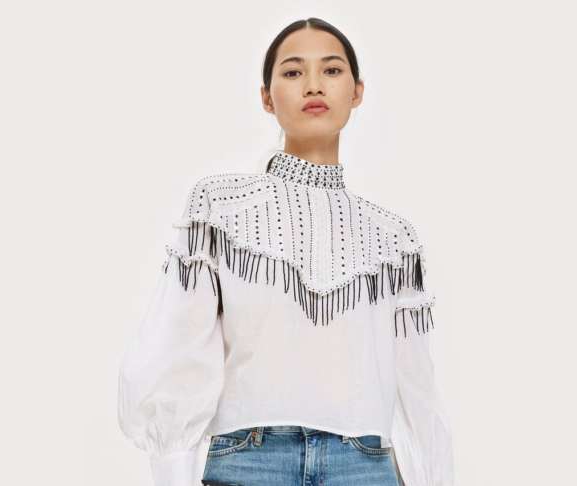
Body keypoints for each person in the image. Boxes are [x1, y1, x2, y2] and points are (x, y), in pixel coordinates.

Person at [117, 17, 454, 486]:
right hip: (248, 460)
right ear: (266, 97)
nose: (313, 85)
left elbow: (417, 386)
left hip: (365, 466)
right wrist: (172, 469)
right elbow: (180, 346)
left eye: (331, 70)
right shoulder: (220, 208)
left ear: (357, 92)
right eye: (293, 72)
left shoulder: (393, 238)